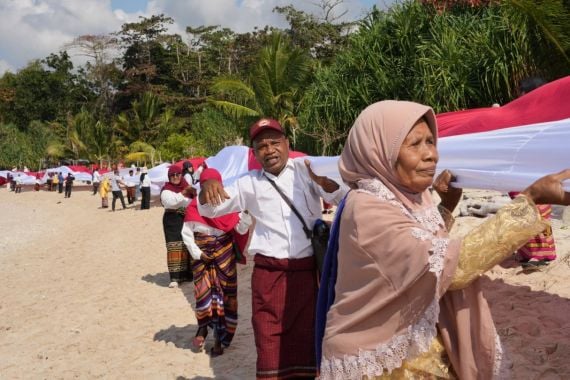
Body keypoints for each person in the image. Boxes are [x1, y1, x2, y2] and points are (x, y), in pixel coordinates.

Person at [316, 100, 570, 380]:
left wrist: (444, 209)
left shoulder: (408, 196)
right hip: (380, 359)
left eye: (431, 141)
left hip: (414, 337)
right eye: (415, 144)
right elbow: (450, 268)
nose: (431, 155)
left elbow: (421, 248)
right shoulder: (366, 207)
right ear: (381, 153)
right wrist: (529, 202)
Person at [198, 118, 346, 379]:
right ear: (254, 153)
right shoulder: (248, 183)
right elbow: (209, 208)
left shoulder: (306, 169)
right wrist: (207, 184)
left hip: (309, 272)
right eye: (261, 146)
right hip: (269, 275)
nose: (269, 150)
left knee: (310, 336)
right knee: (268, 337)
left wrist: (324, 182)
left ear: (287, 144)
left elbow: (342, 198)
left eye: (274, 142)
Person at [182, 168, 252, 357]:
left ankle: (220, 338)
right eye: (208, 185)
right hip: (201, 256)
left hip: (224, 254)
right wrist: (197, 253)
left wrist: (246, 216)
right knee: (203, 294)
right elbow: (186, 234)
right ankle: (203, 328)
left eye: (216, 185)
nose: (213, 189)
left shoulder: (229, 204)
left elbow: (240, 229)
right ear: (202, 186)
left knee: (224, 295)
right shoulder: (194, 206)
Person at [161, 165, 195, 288]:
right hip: (172, 220)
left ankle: (187, 275)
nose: (175, 177)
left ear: (181, 175)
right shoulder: (166, 190)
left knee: (186, 244)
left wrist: (186, 193)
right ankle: (175, 277)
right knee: (174, 246)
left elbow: (191, 202)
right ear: (169, 177)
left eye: (177, 174)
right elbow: (170, 202)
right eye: (172, 175)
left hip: (186, 219)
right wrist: (183, 193)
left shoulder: (187, 187)